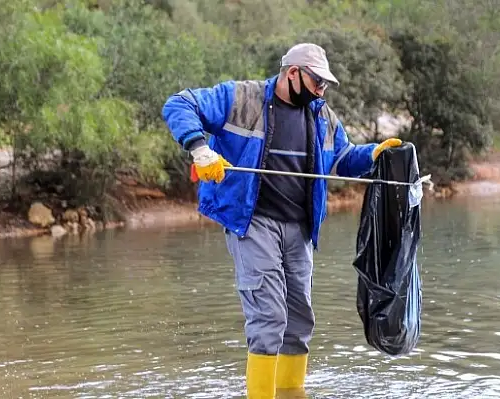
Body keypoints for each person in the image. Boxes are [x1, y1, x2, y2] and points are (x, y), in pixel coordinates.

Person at [161, 43, 402, 398]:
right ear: (293, 73)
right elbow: (179, 104)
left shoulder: (321, 116)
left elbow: (343, 159)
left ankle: (292, 393)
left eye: (325, 85)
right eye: (317, 82)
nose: (322, 90)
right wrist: (201, 149)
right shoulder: (240, 98)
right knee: (270, 317)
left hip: (299, 230)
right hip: (253, 221)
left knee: (300, 320)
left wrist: (374, 154)